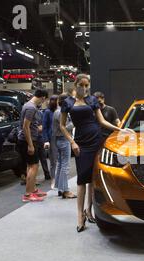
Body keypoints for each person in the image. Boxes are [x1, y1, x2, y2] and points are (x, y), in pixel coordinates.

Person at [60, 74, 134, 233]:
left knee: (93, 179)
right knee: (81, 180)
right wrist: (72, 142)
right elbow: (62, 126)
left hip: (96, 140)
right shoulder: (67, 103)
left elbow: (101, 122)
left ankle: (89, 210)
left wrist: (120, 129)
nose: (85, 88)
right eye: (82, 85)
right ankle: (80, 216)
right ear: (76, 84)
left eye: (87, 86)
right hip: (81, 143)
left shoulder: (92, 100)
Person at [17, 89, 49, 202]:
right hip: (28, 141)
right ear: (43, 97)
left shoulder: (28, 105)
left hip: (27, 140)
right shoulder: (31, 107)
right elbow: (26, 127)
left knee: (31, 166)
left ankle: (33, 190)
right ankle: (28, 194)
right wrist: (30, 145)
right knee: (33, 166)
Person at [53, 94, 76, 199]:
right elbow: (65, 127)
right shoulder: (60, 112)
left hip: (60, 140)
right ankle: (65, 190)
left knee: (61, 164)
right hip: (63, 139)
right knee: (65, 166)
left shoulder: (58, 111)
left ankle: (60, 188)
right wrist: (74, 122)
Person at [43, 95, 59, 189]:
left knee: (61, 161)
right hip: (52, 138)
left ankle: (60, 180)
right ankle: (53, 179)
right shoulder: (47, 112)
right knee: (53, 161)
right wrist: (46, 140)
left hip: (61, 137)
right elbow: (44, 127)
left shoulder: (61, 111)